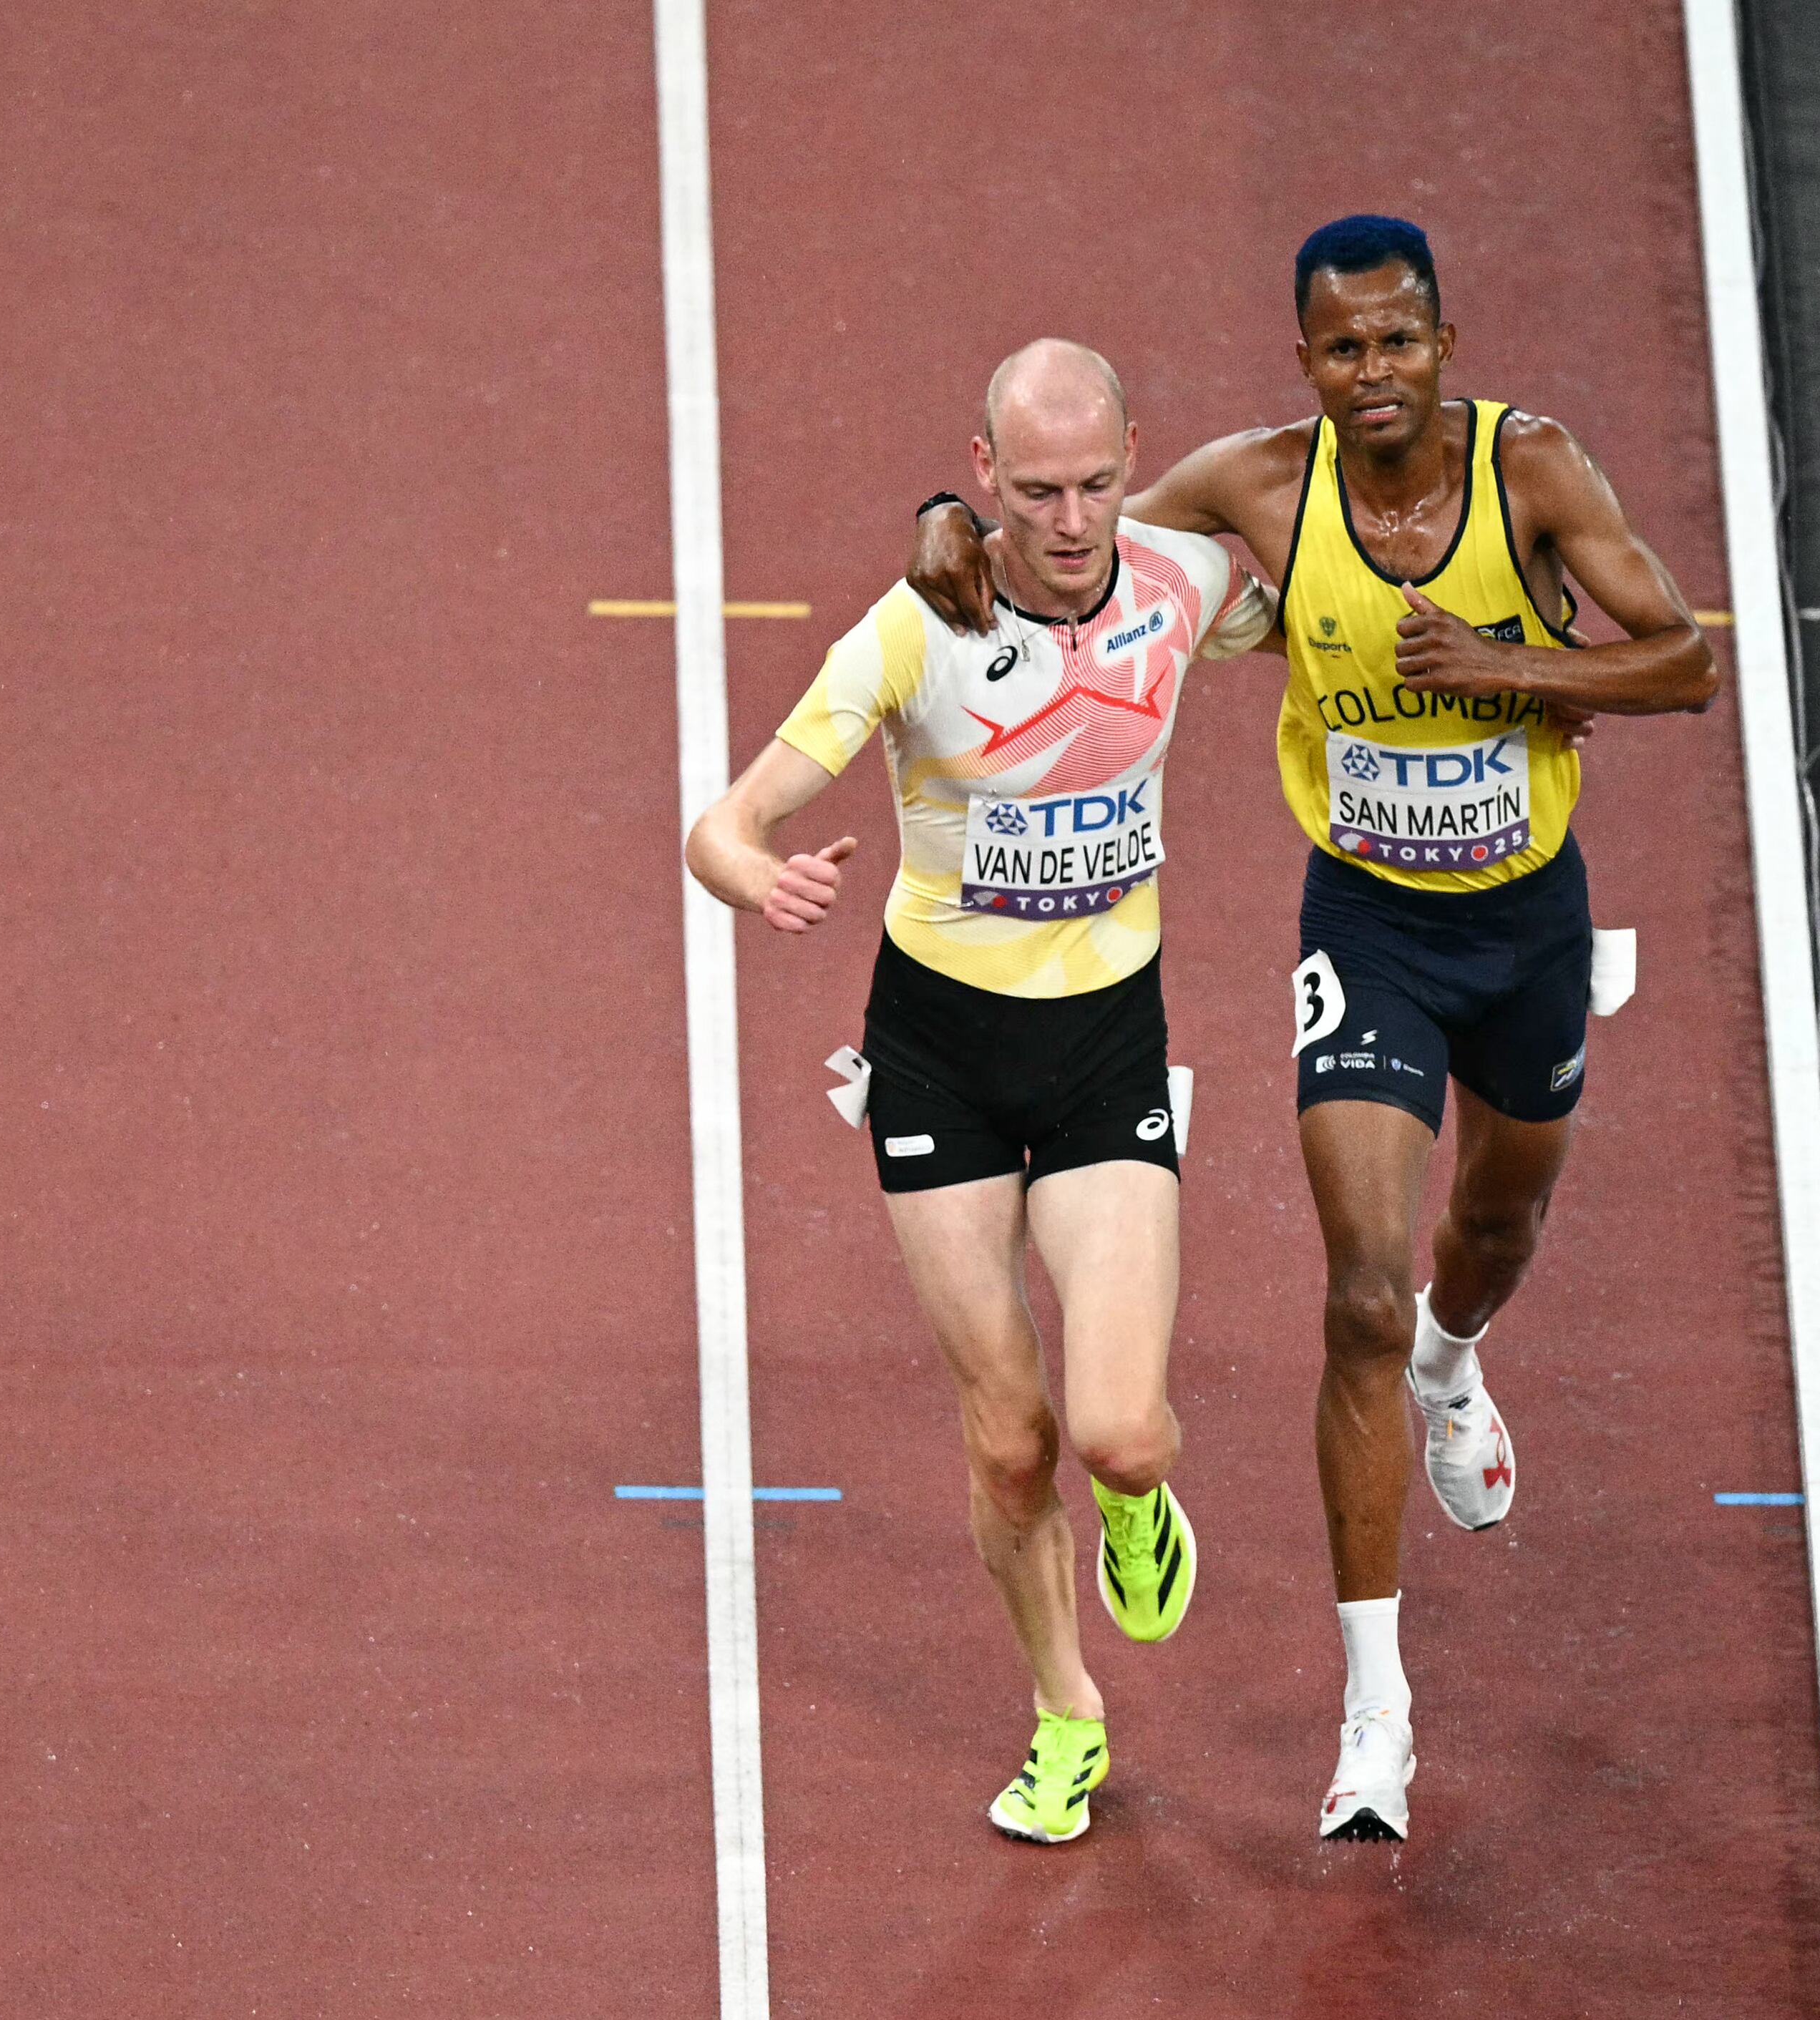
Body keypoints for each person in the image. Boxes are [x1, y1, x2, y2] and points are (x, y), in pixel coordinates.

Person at [907, 218, 1717, 1840]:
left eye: (1399, 342)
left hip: (1527, 920)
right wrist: (942, 518)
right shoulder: (1258, 485)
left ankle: (1457, 1353)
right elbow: (1067, 550)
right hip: (1369, 924)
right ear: (1305, 362)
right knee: (1354, 1282)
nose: (1374, 374)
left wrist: (1511, 665)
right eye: (1342, 349)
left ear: (1446, 341)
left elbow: (1687, 663)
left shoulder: (1535, 474)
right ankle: (1377, 1711)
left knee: (1491, 1229)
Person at [688, 338, 1276, 1845]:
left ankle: (1141, 1503)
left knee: (1119, 1429)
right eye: (1037, 489)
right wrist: (759, 873)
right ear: (985, 472)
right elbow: (726, 820)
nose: (1071, 519)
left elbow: (1310, 554)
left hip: (1104, 1053)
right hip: (938, 1052)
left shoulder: (1182, 585)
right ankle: (1065, 1709)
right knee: (1007, 1433)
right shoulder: (914, 629)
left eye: (1097, 483)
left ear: (1135, 455)